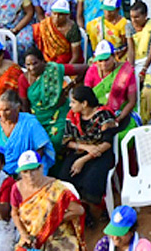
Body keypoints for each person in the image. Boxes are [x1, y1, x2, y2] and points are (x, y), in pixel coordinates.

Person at [57, 85, 117, 221]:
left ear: (84, 104)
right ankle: (81, 211)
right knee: (64, 178)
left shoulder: (103, 115)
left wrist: (83, 160)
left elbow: (107, 143)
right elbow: (67, 141)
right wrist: (85, 148)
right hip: (81, 151)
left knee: (91, 182)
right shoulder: (72, 116)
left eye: (73, 102)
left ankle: (98, 211)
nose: (70, 105)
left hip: (101, 153)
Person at [12, 149, 84, 251]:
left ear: (41, 168)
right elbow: (14, 213)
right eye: (25, 172)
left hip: (57, 234)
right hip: (31, 236)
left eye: (33, 170)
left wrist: (53, 220)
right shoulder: (17, 188)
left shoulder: (57, 188)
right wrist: (23, 234)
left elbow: (78, 210)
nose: (29, 176)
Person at [0, 89, 54, 176]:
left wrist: (27, 170)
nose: (2, 114)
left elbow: (40, 148)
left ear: (18, 108)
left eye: (7, 110)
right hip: (3, 170)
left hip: (27, 167)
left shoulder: (30, 123)